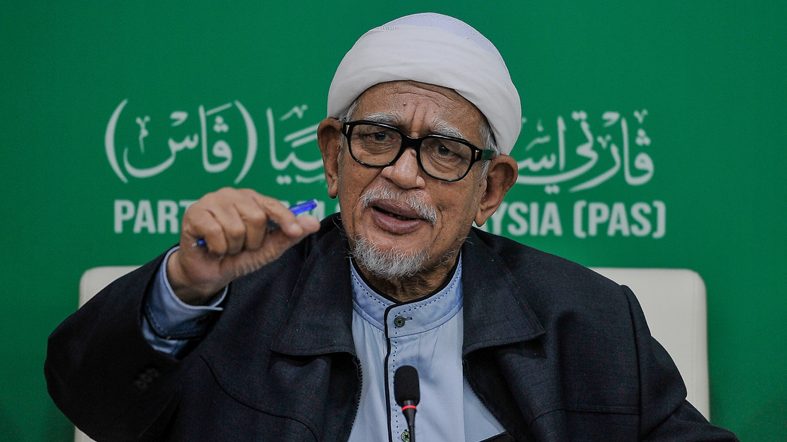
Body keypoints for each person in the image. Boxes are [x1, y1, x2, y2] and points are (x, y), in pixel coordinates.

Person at [46, 12, 737, 442]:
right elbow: (94, 407)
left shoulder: (586, 321)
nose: (403, 175)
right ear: (332, 157)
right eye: (377, 137)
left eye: (444, 151)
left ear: (490, 188)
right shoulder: (230, 305)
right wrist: (183, 288)